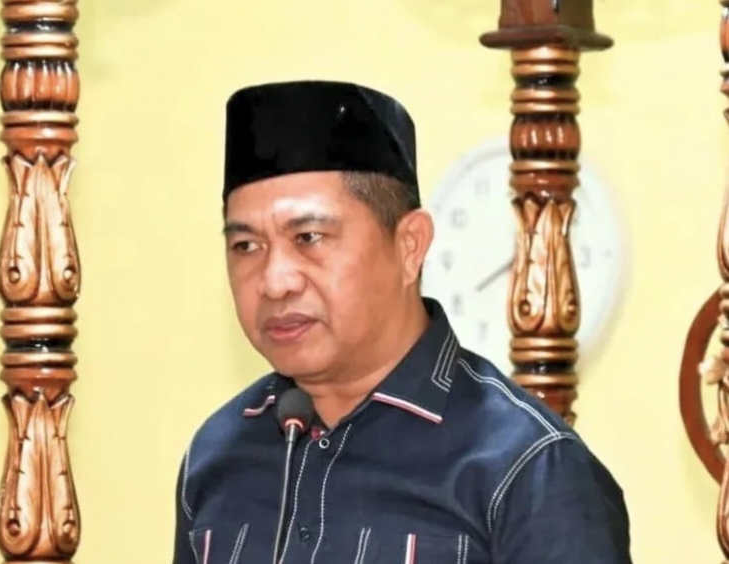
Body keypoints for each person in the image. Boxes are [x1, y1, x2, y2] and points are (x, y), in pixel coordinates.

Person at [171, 80, 631, 564]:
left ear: (409, 246)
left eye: (309, 237)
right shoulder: (216, 456)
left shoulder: (526, 468)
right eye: (246, 246)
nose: (275, 281)